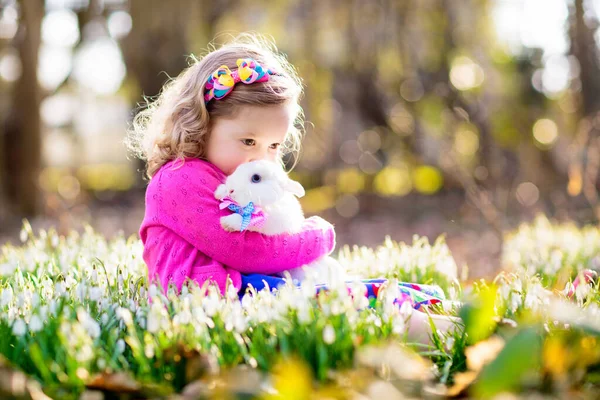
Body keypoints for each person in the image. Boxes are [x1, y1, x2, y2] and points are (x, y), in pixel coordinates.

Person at [128, 33, 461, 345]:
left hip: (244, 288)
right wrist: (316, 237)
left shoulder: (234, 179)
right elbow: (246, 251)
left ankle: (451, 316)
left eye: (274, 145)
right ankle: (443, 332)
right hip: (212, 301)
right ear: (201, 123)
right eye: (248, 141)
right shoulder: (179, 180)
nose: (261, 157)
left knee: (357, 292)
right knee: (346, 309)